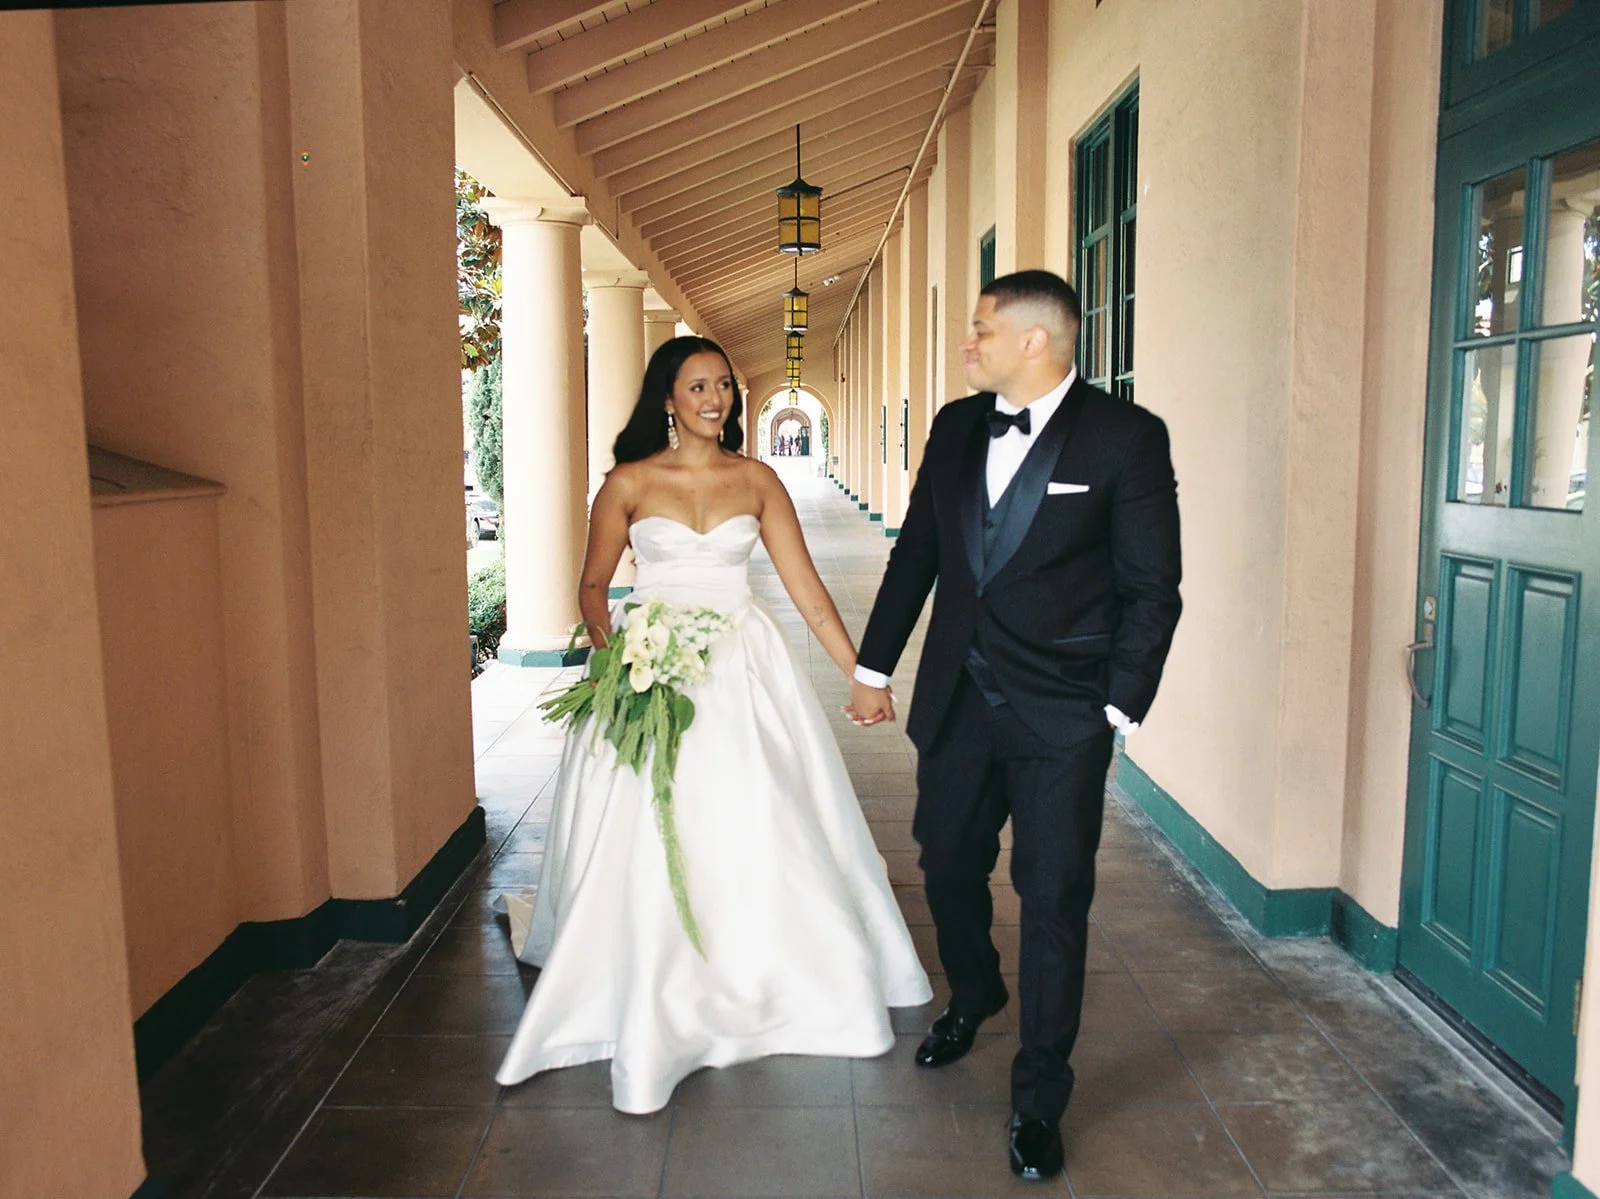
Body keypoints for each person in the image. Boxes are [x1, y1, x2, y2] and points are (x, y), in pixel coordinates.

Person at [496, 336, 932, 1114]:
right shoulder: (627, 483)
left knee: (758, 810)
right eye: (697, 385)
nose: (714, 398)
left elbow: (809, 594)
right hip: (651, 664)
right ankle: (655, 969)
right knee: (652, 817)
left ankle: (767, 969)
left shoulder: (758, 480)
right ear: (667, 397)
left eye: (724, 385)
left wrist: (866, 676)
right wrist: (621, 658)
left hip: (742, 661)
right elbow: (593, 586)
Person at [850, 271, 1182, 1180]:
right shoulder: (959, 425)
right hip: (957, 699)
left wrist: (1116, 703)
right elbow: (919, 550)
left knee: (1053, 899)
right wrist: (874, 665)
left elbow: (1154, 586)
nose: (968, 343)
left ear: (1037, 340)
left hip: (1065, 714)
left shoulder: (1126, 438)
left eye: (980, 329)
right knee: (946, 861)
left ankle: (1038, 1096)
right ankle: (975, 989)